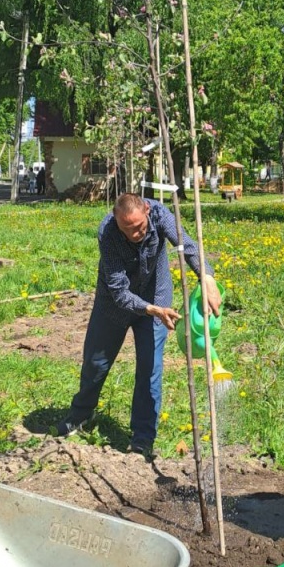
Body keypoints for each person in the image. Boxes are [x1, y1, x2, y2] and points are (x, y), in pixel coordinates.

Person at [58, 192, 221, 456]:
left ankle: (143, 438)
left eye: (140, 227)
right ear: (116, 221)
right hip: (114, 305)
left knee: (150, 369)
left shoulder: (160, 214)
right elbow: (119, 291)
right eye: (128, 229)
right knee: (95, 363)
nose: (136, 234)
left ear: (146, 210)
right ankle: (80, 415)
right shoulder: (108, 233)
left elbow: (187, 245)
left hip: (158, 298)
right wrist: (149, 309)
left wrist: (207, 277)